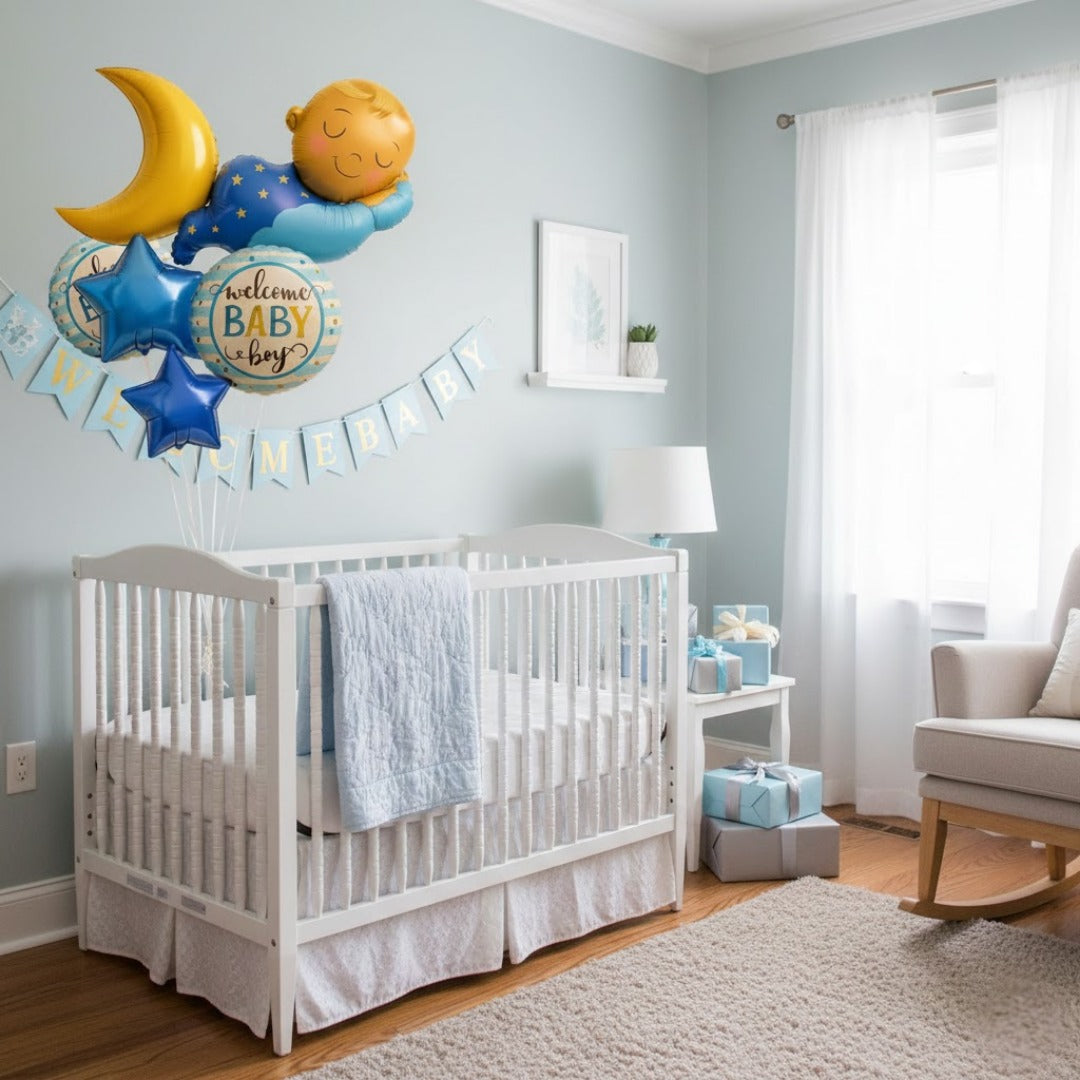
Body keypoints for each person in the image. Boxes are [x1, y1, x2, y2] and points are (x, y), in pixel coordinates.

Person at [171, 80, 414, 266]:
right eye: (334, 129)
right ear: (296, 120)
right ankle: (199, 231)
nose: (353, 158)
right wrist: (399, 192)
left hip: (247, 183)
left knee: (211, 226)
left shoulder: (337, 221)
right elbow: (358, 223)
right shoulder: (347, 223)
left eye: (381, 159)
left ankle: (199, 231)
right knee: (212, 226)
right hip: (250, 187)